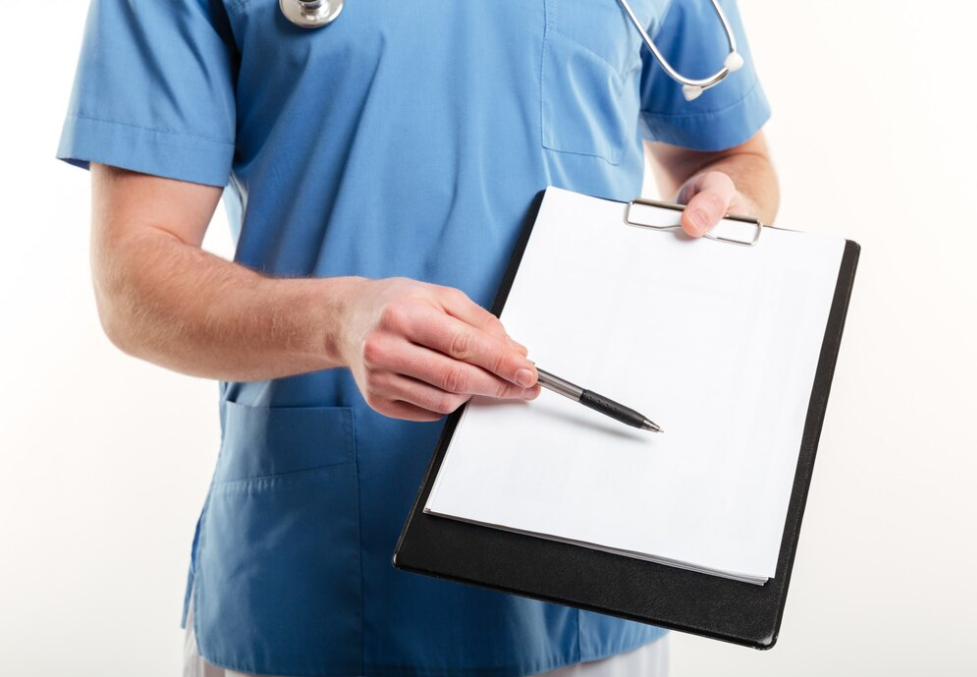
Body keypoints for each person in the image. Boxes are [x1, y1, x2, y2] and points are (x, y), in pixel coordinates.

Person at [57, 0, 778, 675]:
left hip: (590, 574)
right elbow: (132, 276)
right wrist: (334, 321)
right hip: (317, 578)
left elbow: (734, 160)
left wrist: (728, 209)